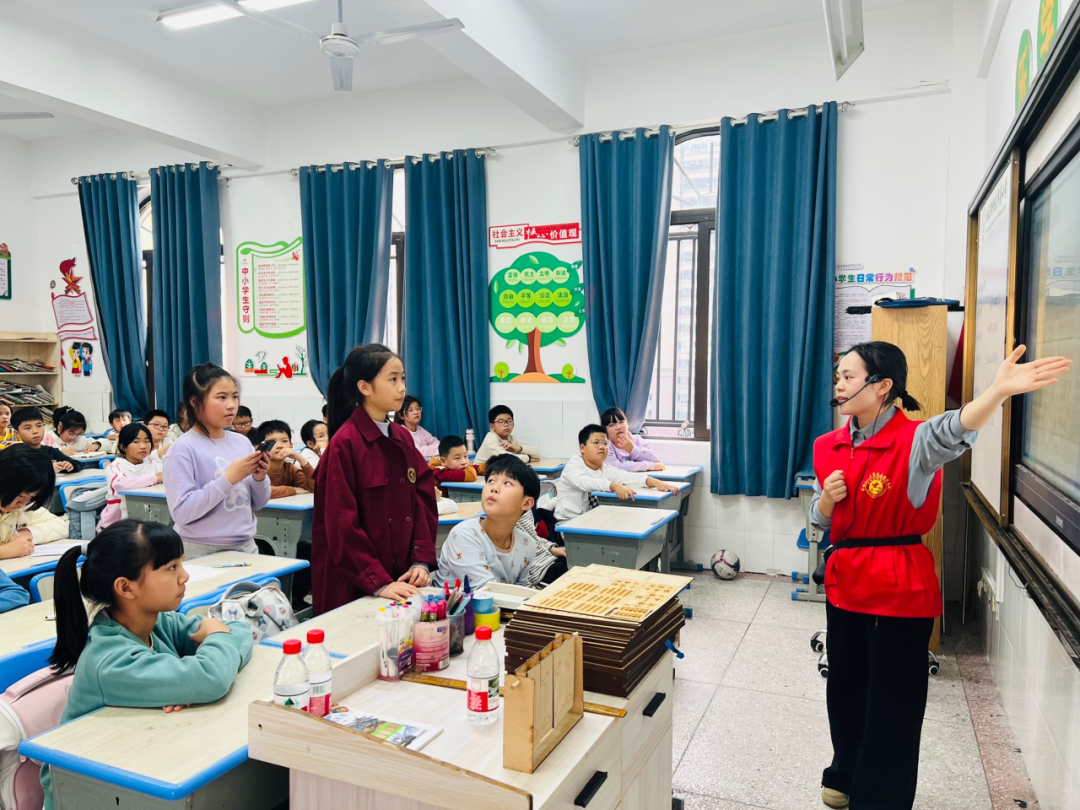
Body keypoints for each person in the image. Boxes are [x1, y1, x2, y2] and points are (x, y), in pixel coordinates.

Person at [808, 341, 1071, 810]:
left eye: (849, 376)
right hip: (844, 583)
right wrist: (826, 500)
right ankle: (844, 771)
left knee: (893, 701)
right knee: (845, 686)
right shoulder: (827, 445)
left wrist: (996, 392)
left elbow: (958, 426)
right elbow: (817, 519)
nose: (839, 386)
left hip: (897, 588)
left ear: (882, 386)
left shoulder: (917, 440)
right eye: (838, 378)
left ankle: (879, 799)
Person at [40, 520, 254, 810]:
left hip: (139, 767)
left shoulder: (158, 623)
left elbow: (238, 630)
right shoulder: (110, 660)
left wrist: (190, 677)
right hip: (88, 794)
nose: (185, 576)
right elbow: (211, 678)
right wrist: (205, 656)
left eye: (181, 563)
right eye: (171, 567)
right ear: (125, 587)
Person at [312, 343, 437, 614]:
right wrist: (377, 581)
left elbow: (422, 499)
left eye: (402, 378)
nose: (402, 388)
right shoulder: (345, 444)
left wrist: (420, 561)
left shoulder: (402, 436)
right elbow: (342, 523)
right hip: (356, 581)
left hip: (401, 577)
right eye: (392, 379)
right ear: (364, 387)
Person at [163, 363, 270, 557]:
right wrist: (229, 478)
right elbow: (182, 513)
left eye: (235, 396)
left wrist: (259, 478)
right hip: (198, 550)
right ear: (194, 402)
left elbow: (258, 503)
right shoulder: (182, 449)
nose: (231, 405)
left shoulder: (242, 442)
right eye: (222, 397)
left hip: (245, 546)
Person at [436, 454, 537, 589]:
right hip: (454, 603)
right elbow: (486, 591)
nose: (494, 488)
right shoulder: (464, 534)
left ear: (526, 503)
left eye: (507, 483)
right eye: (491, 480)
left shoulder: (527, 544)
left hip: (500, 602)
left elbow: (520, 591)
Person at [552, 424, 676, 522]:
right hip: (568, 522)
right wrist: (613, 485)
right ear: (582, 448)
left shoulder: (604, 467)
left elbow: (625, 476)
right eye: (596, 443)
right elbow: (586, 483)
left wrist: (652, 481)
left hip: (590, 520)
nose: (602, 447)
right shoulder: (573, 466)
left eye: (605, 443)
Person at [0, 444, 68, 560]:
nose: (23, 503)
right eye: (20, 495)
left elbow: (61, 525)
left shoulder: (24, 507)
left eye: (31, 497)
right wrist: (4, 551)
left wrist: (27, 532)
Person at [99, 424, 164, 531]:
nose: (143, 446)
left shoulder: (154, 462)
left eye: (147, 441)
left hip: (150, 517)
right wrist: (154, 478)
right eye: (136, 442)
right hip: (117, 523)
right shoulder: (116, 466)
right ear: (123, 446)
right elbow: (120, 484)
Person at [10, 407, 82, 474]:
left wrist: (69, 465)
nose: (35, 431)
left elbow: (77, 464)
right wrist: (48, 467)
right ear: (17, 433)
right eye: (28, 428)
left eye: (39, 426)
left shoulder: (51, 451)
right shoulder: (14, 455)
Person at [257, 420, 315, 498]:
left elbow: (314, 487)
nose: (280, 446)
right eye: (273, 442)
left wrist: (301, 459)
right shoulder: (257, 468)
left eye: (284, 441)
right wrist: (293, 490)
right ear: (262, 446)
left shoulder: (291, 470)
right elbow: (260, 491)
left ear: (291, 445)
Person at [600, 407, 664, 472]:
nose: (618, 427)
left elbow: (657, 458)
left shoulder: (636, 439)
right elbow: (617, 467)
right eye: (611, 425)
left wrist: (633, 449)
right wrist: (650, 466)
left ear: (627, 424)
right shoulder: (605, 447)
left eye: (621, 422)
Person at [475, 405, 540, 467]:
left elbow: (537, 453)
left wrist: (518, 448)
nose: (506, 424)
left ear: (513, 424)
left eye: (509, 421)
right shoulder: (490, 439)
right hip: (481, 473)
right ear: (492, 426)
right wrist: (528, 458)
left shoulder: (511, 438)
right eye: (501, 422)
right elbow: (506, 459)